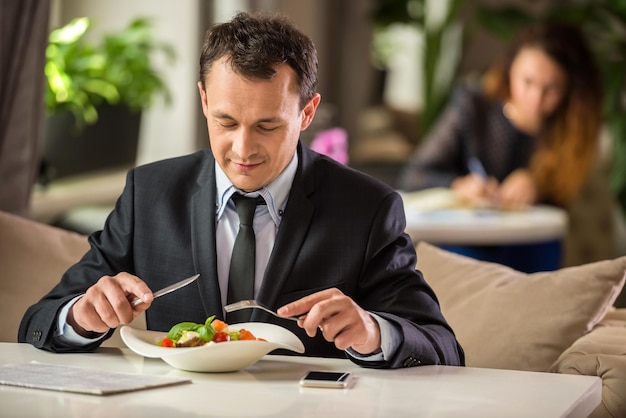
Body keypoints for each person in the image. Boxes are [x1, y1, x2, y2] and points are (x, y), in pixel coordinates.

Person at [19, 12, 464, 369]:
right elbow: (38, 324)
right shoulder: (148, 193)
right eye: (226, 122)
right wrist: (81, 315)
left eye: (267, 125)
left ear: (307, 112)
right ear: (204, 101)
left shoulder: (368, 209)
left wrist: (371, 331)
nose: (243, 149)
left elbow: (442, 346)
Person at [398, 21, 602, 209]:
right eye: (528, 82)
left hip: (531, 238)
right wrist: (459, 184)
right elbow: (413, 176)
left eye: (551, 89)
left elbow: (562, 202)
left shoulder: (571, 126)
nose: (536, 99)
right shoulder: (474, 105)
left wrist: (538, 188)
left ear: (570, 91)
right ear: (509, 70)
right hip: (467, 235)